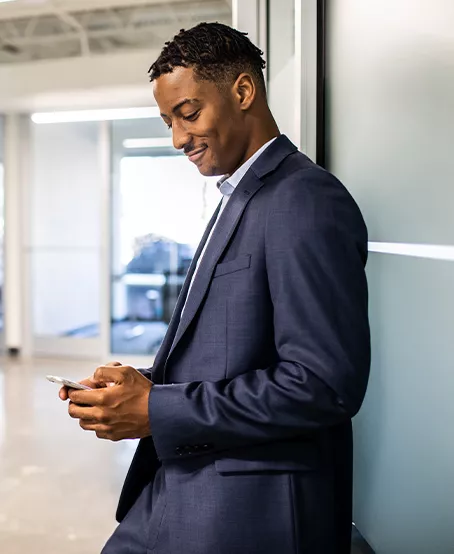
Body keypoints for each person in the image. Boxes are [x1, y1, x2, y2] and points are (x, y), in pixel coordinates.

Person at [60, 22, 370, 554]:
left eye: (188, 113)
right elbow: (236, 349)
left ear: (243, 92)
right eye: (167, 122)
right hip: (183, 479)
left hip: (249, 508)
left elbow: (324, 384)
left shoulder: (303, 198)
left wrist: (157, 409)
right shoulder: (238, 194)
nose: (178, 138)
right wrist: (144, 384)